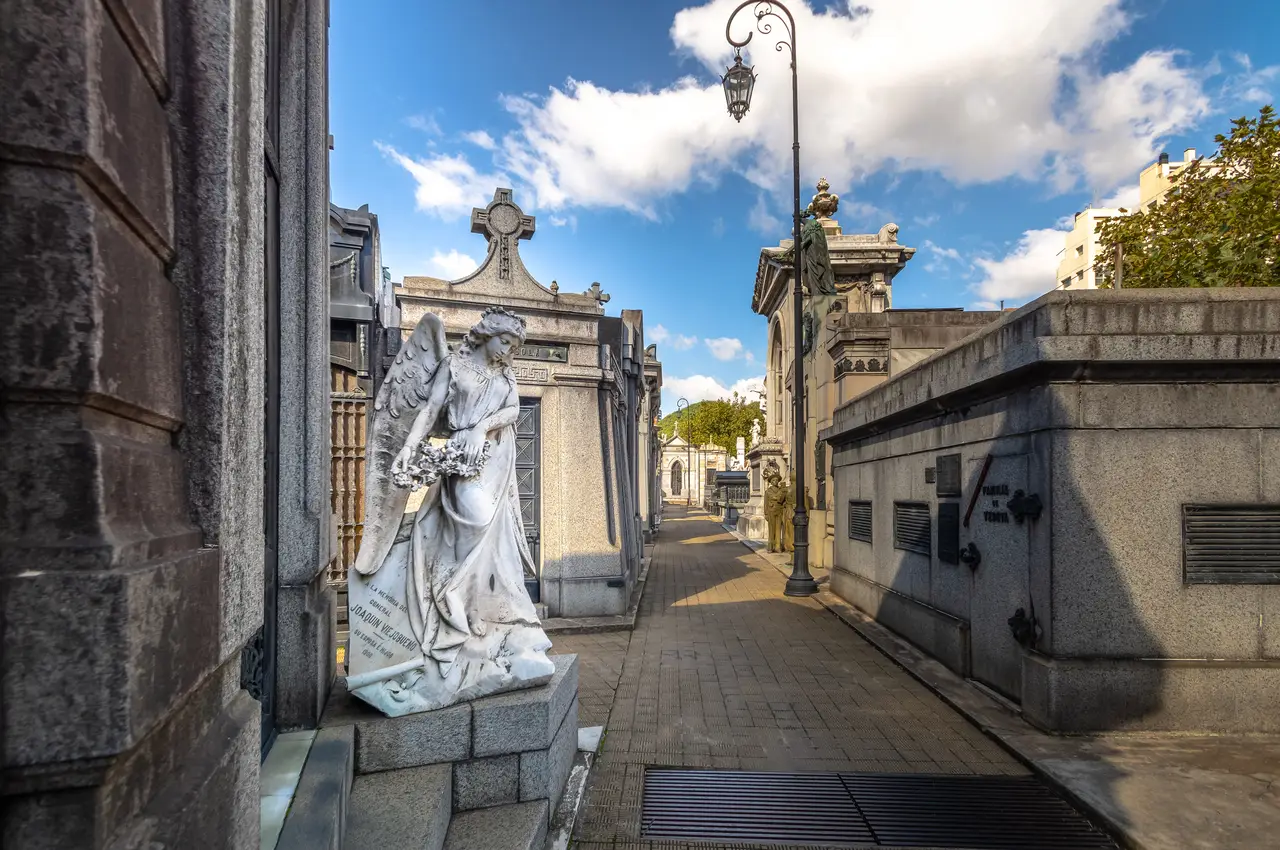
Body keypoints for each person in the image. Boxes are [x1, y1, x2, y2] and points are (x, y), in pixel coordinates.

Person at [346, 306, 554, 716]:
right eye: (504, 342)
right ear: (486, 335)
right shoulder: (454, 366)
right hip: (463, 460)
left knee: (494, 542)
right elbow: (429, 409)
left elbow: (512, 410)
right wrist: (408, 446)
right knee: (471, 523)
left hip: (494, 456)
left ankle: (483, 614)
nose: (508, 351)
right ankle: (449, 606)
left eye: (514, 345)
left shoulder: (505, 374)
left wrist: (483, 426)